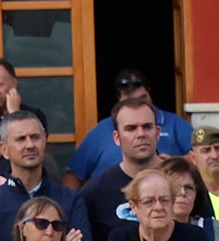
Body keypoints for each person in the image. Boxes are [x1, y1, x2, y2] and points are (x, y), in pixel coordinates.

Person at [0, 110, 91, 241]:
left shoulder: (71, 199)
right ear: (4, 150)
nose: (30, 145)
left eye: (35, 137)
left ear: (45, 141)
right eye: (21, 139)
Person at [66, 69, 195, 186]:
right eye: (130, 101)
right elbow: (74, 175)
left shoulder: (175, 124)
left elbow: (202, 158)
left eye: (143, 98)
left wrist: (174, 162)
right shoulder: (101, 130)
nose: (140, 134)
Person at [79, 97, 165, 241]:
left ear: (157, 132)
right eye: (131, 128)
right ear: (116, 138)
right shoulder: (94, 192)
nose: (141, 134)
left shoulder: (183, 182)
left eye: (147, 127)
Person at [0, 59, 46, 171]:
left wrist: (15, 114)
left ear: (14, 83)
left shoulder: (34, 116)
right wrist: (13, 146)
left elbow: (31, 148)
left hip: (24, 183)